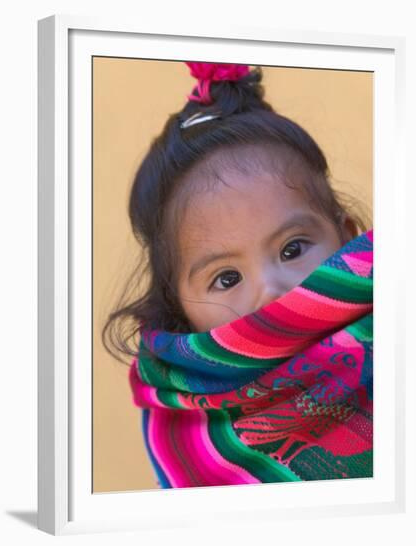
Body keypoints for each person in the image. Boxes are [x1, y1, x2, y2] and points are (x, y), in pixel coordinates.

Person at [102, 62, 373, 489]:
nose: (271, 291)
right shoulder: (192, 432)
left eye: (292, 249)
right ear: (181, 310)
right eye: (227, 279)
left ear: (348, 237)